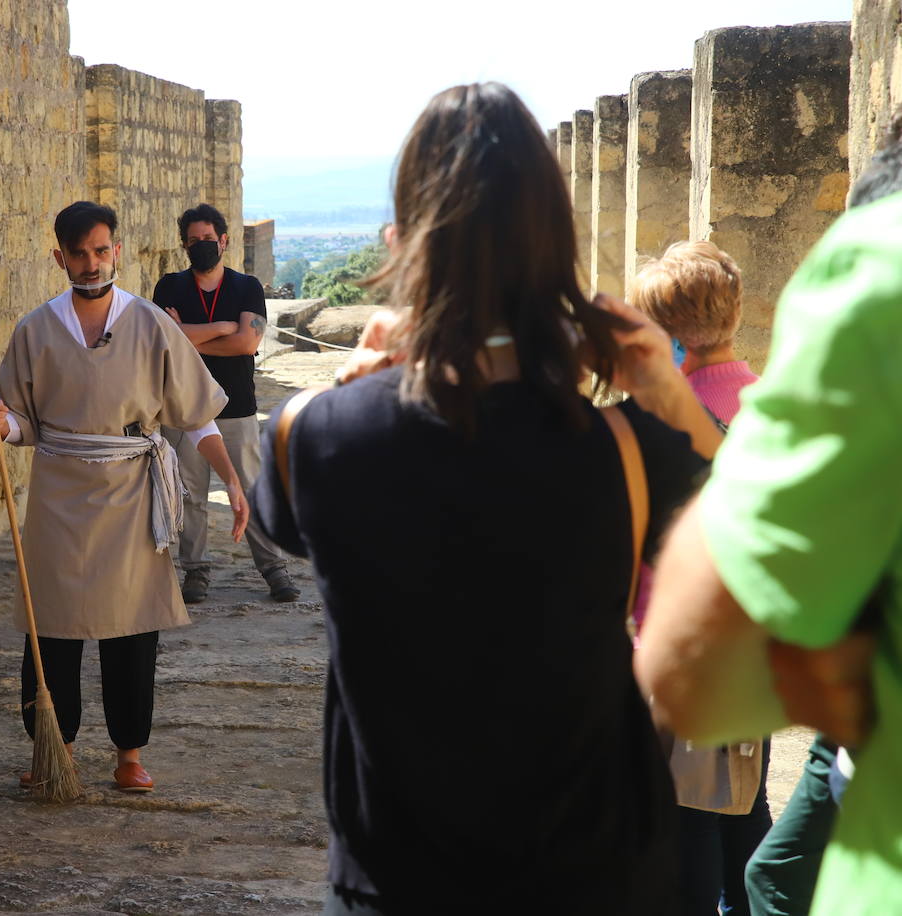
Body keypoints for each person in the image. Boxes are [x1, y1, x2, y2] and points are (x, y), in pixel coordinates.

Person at [250, 82, 722, 914]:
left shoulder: (307, 438)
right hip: (598, 874)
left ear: (404, 241)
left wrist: (355, 382)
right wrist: (670, 395)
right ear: (554, 247)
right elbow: (757, 543)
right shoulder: (624, 453)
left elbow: (286, 525)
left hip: (396, 881)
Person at [637, 120, 902, 916]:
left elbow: (697, 666)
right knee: (745, 829)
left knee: (697, 843)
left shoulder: (875, 271)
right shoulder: (760, 392)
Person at [0, 201, 250, 793]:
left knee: (131, 626)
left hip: (131, 492)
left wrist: (231, 478)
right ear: (60, 258)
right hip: (59, 493)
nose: (92, 263)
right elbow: (24, 424)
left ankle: (129, 753)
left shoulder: (153, 325)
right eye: (79, 253)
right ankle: (57, 747)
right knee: (51, 624)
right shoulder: (35, 330)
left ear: (117, 252)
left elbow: (195, 418)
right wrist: (2, 424)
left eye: (101, 250)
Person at [629, 241, 769, 916]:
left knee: (686, 821)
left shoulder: (660, 418)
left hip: (680, 643)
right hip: (757, 641)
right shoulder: (771, 405)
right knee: (745, 806)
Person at [152, 203, 298, 604]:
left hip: (237, 408)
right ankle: (196, 571)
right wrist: (220, 328)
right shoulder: (169, 287)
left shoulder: (246, 287)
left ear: (225, 241)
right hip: (184, 408)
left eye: (209, 240)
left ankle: (273, 568)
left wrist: (190, 334)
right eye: (194, 241)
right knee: (190, 494)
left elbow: (249, 342)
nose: (202, 246)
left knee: (250, 488)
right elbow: (165, 341)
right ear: (184, 244)